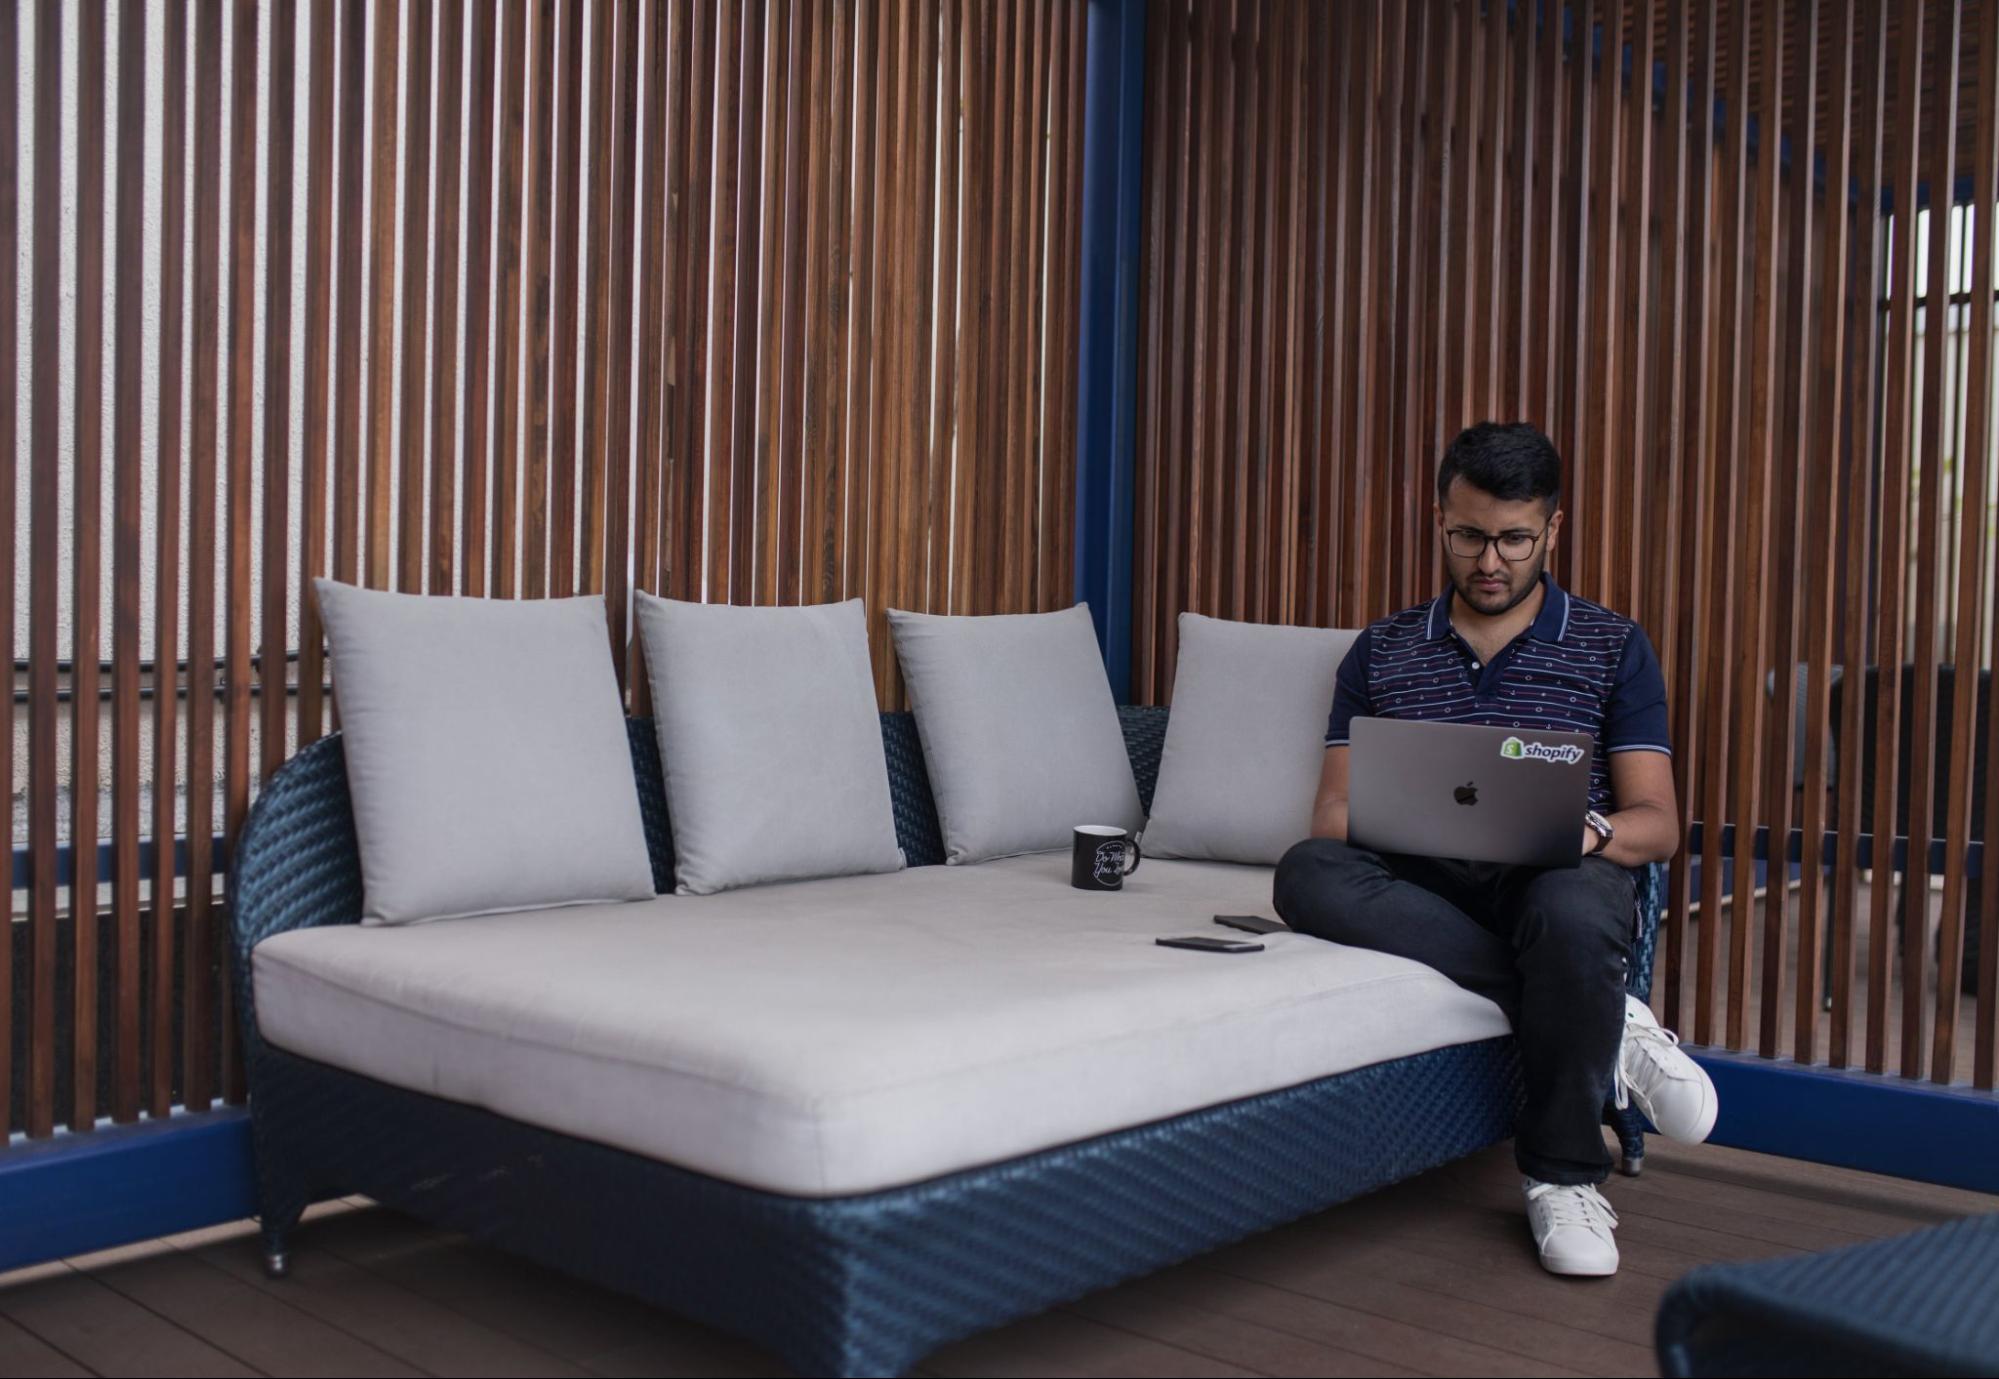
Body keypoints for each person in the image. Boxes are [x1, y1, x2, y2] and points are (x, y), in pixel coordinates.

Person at [1272, 421, 1717, 1278]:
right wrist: (1412, 813)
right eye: (1469, 534)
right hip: (1422, 882)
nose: (1489, 560)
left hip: (1557, 874)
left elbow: (1657, 822)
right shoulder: (1383, 649)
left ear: (1552, 530)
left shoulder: (1611, 646)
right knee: (1305, 872)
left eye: (1514, 538)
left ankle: (1561, 1176)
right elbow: (1329, 812)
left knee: (1574, 907)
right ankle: (1611, 1019)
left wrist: (1588, 830)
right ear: (1439, 519)